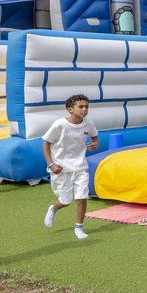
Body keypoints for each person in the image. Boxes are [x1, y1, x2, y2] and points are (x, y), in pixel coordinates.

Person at [42, 94, 99, 240]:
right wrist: (51, 164)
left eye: (86, 106)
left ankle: (79, 227)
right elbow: (46, 143)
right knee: (66, 201)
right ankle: (53, 208)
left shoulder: (88, 123)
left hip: (80, 166)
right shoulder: (59, 124)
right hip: (62, 168)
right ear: (70, 109)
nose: (84, 109)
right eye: (80, 106)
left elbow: (95, 137)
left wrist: (94, 145)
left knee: (82, 198)